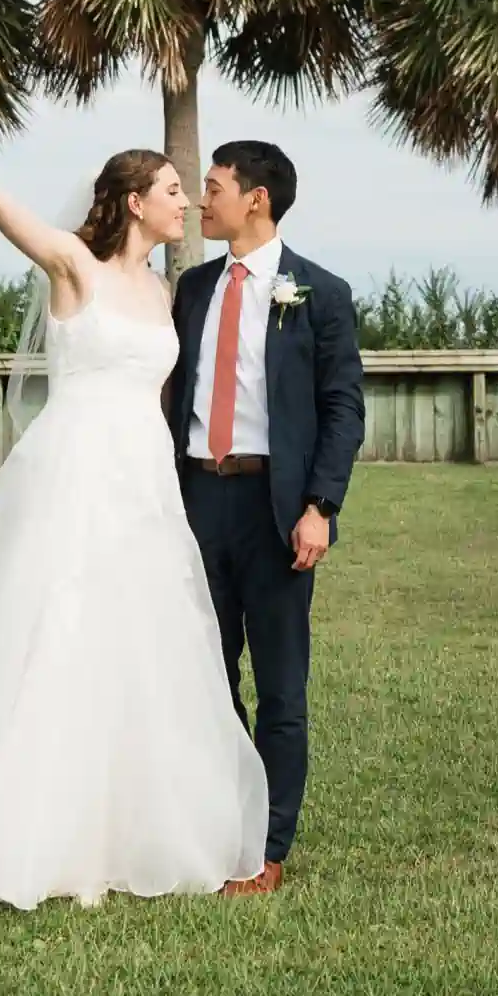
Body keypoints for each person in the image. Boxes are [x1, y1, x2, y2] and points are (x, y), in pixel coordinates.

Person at [0, 104, 269, 909]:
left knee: (142, 646)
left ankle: (125, 827)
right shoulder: (73, 264)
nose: (186, 203)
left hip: (143, 485)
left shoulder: (166, 291)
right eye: (174, 189)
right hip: (74, 473)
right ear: (134, 199)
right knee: (54, 634)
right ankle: (19, 830)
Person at [165, 141, 365, 893]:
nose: (199, 201)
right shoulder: (192, 289)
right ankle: (215, 829)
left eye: (212, 188)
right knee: (205, 682)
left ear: (256, 199)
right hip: (193, 502)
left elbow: (343, 408)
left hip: (276, 511)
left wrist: (320, 507)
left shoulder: (321, 292)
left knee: (281, 690)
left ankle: (267, 851)